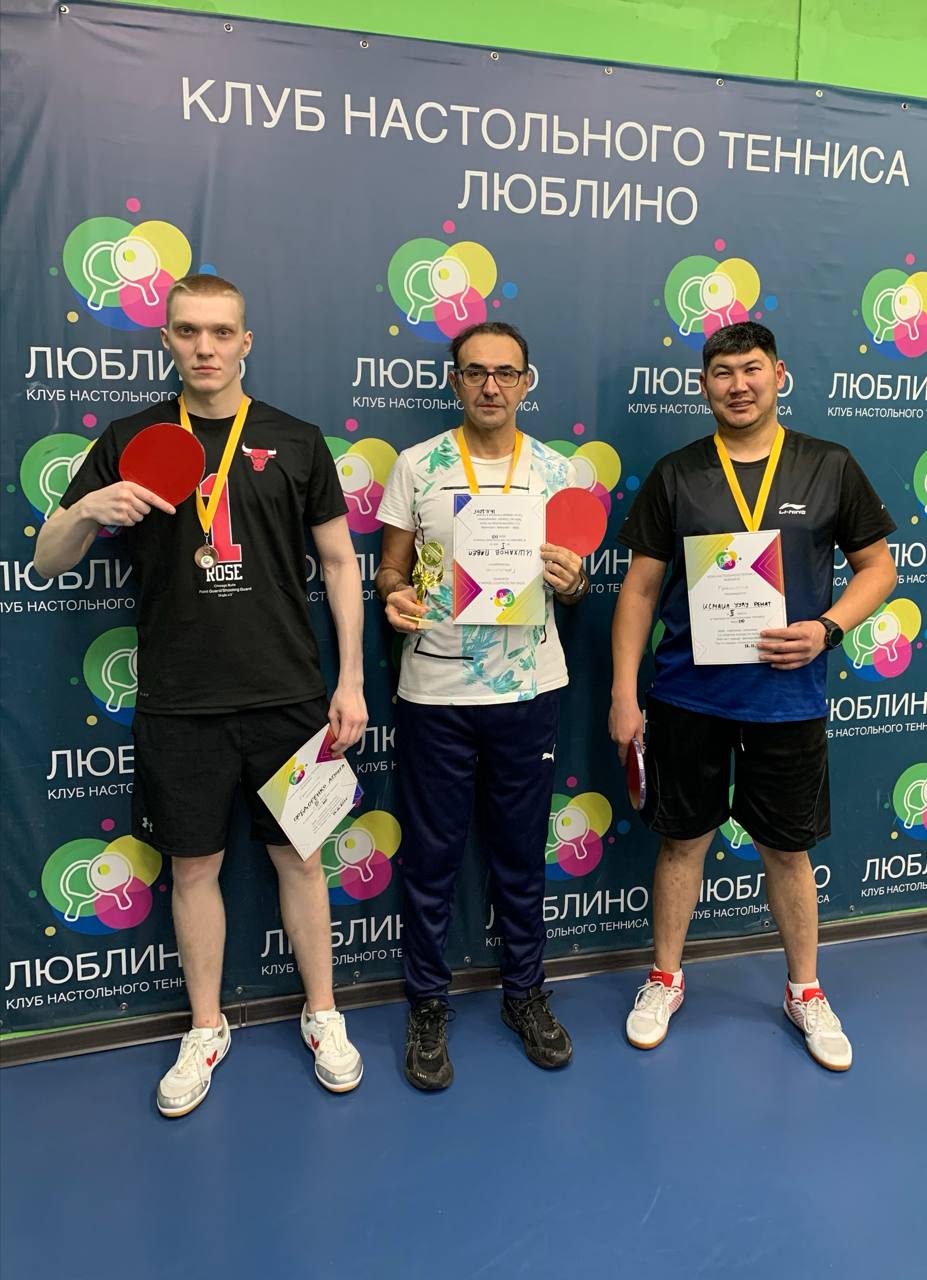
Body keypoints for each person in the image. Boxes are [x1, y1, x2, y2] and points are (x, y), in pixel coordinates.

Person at [34, 273, 368, 1113]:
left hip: (287, 693)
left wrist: (352, 679)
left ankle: (323, 1013)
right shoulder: (130, 438)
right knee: (193, 868)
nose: (205, 347)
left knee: (303, 858)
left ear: (245, 341)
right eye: (188, 331)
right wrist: (89, 507)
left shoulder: (296, 440)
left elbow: (338, 565)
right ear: (167, 339)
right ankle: (206, 1027)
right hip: (179, 700)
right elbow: (46, 560)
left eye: (221, 332)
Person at [608, 321, 896, 1072]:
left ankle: (804, 990)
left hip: (786, 699)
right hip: (686, 696)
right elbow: (639, 590)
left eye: (751, 369)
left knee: (787, 850)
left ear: (779, 374)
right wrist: (623, 692)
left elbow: (878, 568)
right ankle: (665, 978)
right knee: (681, 842)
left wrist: (827, 629)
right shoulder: (676, 473)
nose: (738, 385)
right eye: (722, 373)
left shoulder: (828, 465)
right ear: (703, 385)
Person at [375, 321, 590, 1090]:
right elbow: (392, 569)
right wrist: (395, 595)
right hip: (434, 691)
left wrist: (574, 583)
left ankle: (524, 993)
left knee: (520, 855)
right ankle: (427, 1004)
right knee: (430, 860)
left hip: (526, 691)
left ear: (527, 382)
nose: (490, 386)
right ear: (455, 381)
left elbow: (576, 581)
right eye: (474, 372)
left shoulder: (559, 472)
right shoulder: (418, 465)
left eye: (505, 373)